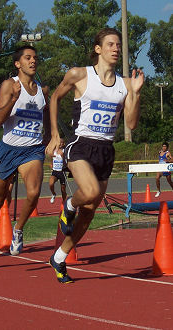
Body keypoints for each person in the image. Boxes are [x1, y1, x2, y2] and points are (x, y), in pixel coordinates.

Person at [46, 28, 144, 283]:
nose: (116, 48)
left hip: (106, 150)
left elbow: (131, 124)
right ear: (98, 49)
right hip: (81, 144)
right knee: (88, 193)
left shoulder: (124, 84)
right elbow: (54, 97)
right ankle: (68, 205)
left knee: (89, 211)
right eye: (110, 44)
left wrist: (136, 92)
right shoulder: (80, 75)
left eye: (118, 45)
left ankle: (59, 256)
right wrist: (55, 134)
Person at [0, 45, 50, 269]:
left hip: (32, 149)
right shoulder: (10, 85)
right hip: (8, 149)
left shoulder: (41, 90)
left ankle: (18, 229)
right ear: (18, 64)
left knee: (34, 193)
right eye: (28, 58)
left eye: (35, 58)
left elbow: (45, 115)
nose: (33, 61)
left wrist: (49, 136)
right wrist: (14, 100)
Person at [49, 138, 67, 203]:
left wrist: (65, 165)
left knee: (63, 190)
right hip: (55, 172)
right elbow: (51, 159)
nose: (59, 144)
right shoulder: (53, 151)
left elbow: (67, 161)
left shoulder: (64, 151)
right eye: (58, 142)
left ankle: (64, 202)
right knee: (51, 183)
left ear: (63, 144)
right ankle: (53, 194)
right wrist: (51, 164)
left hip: (62, 172)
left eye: (61, 142)